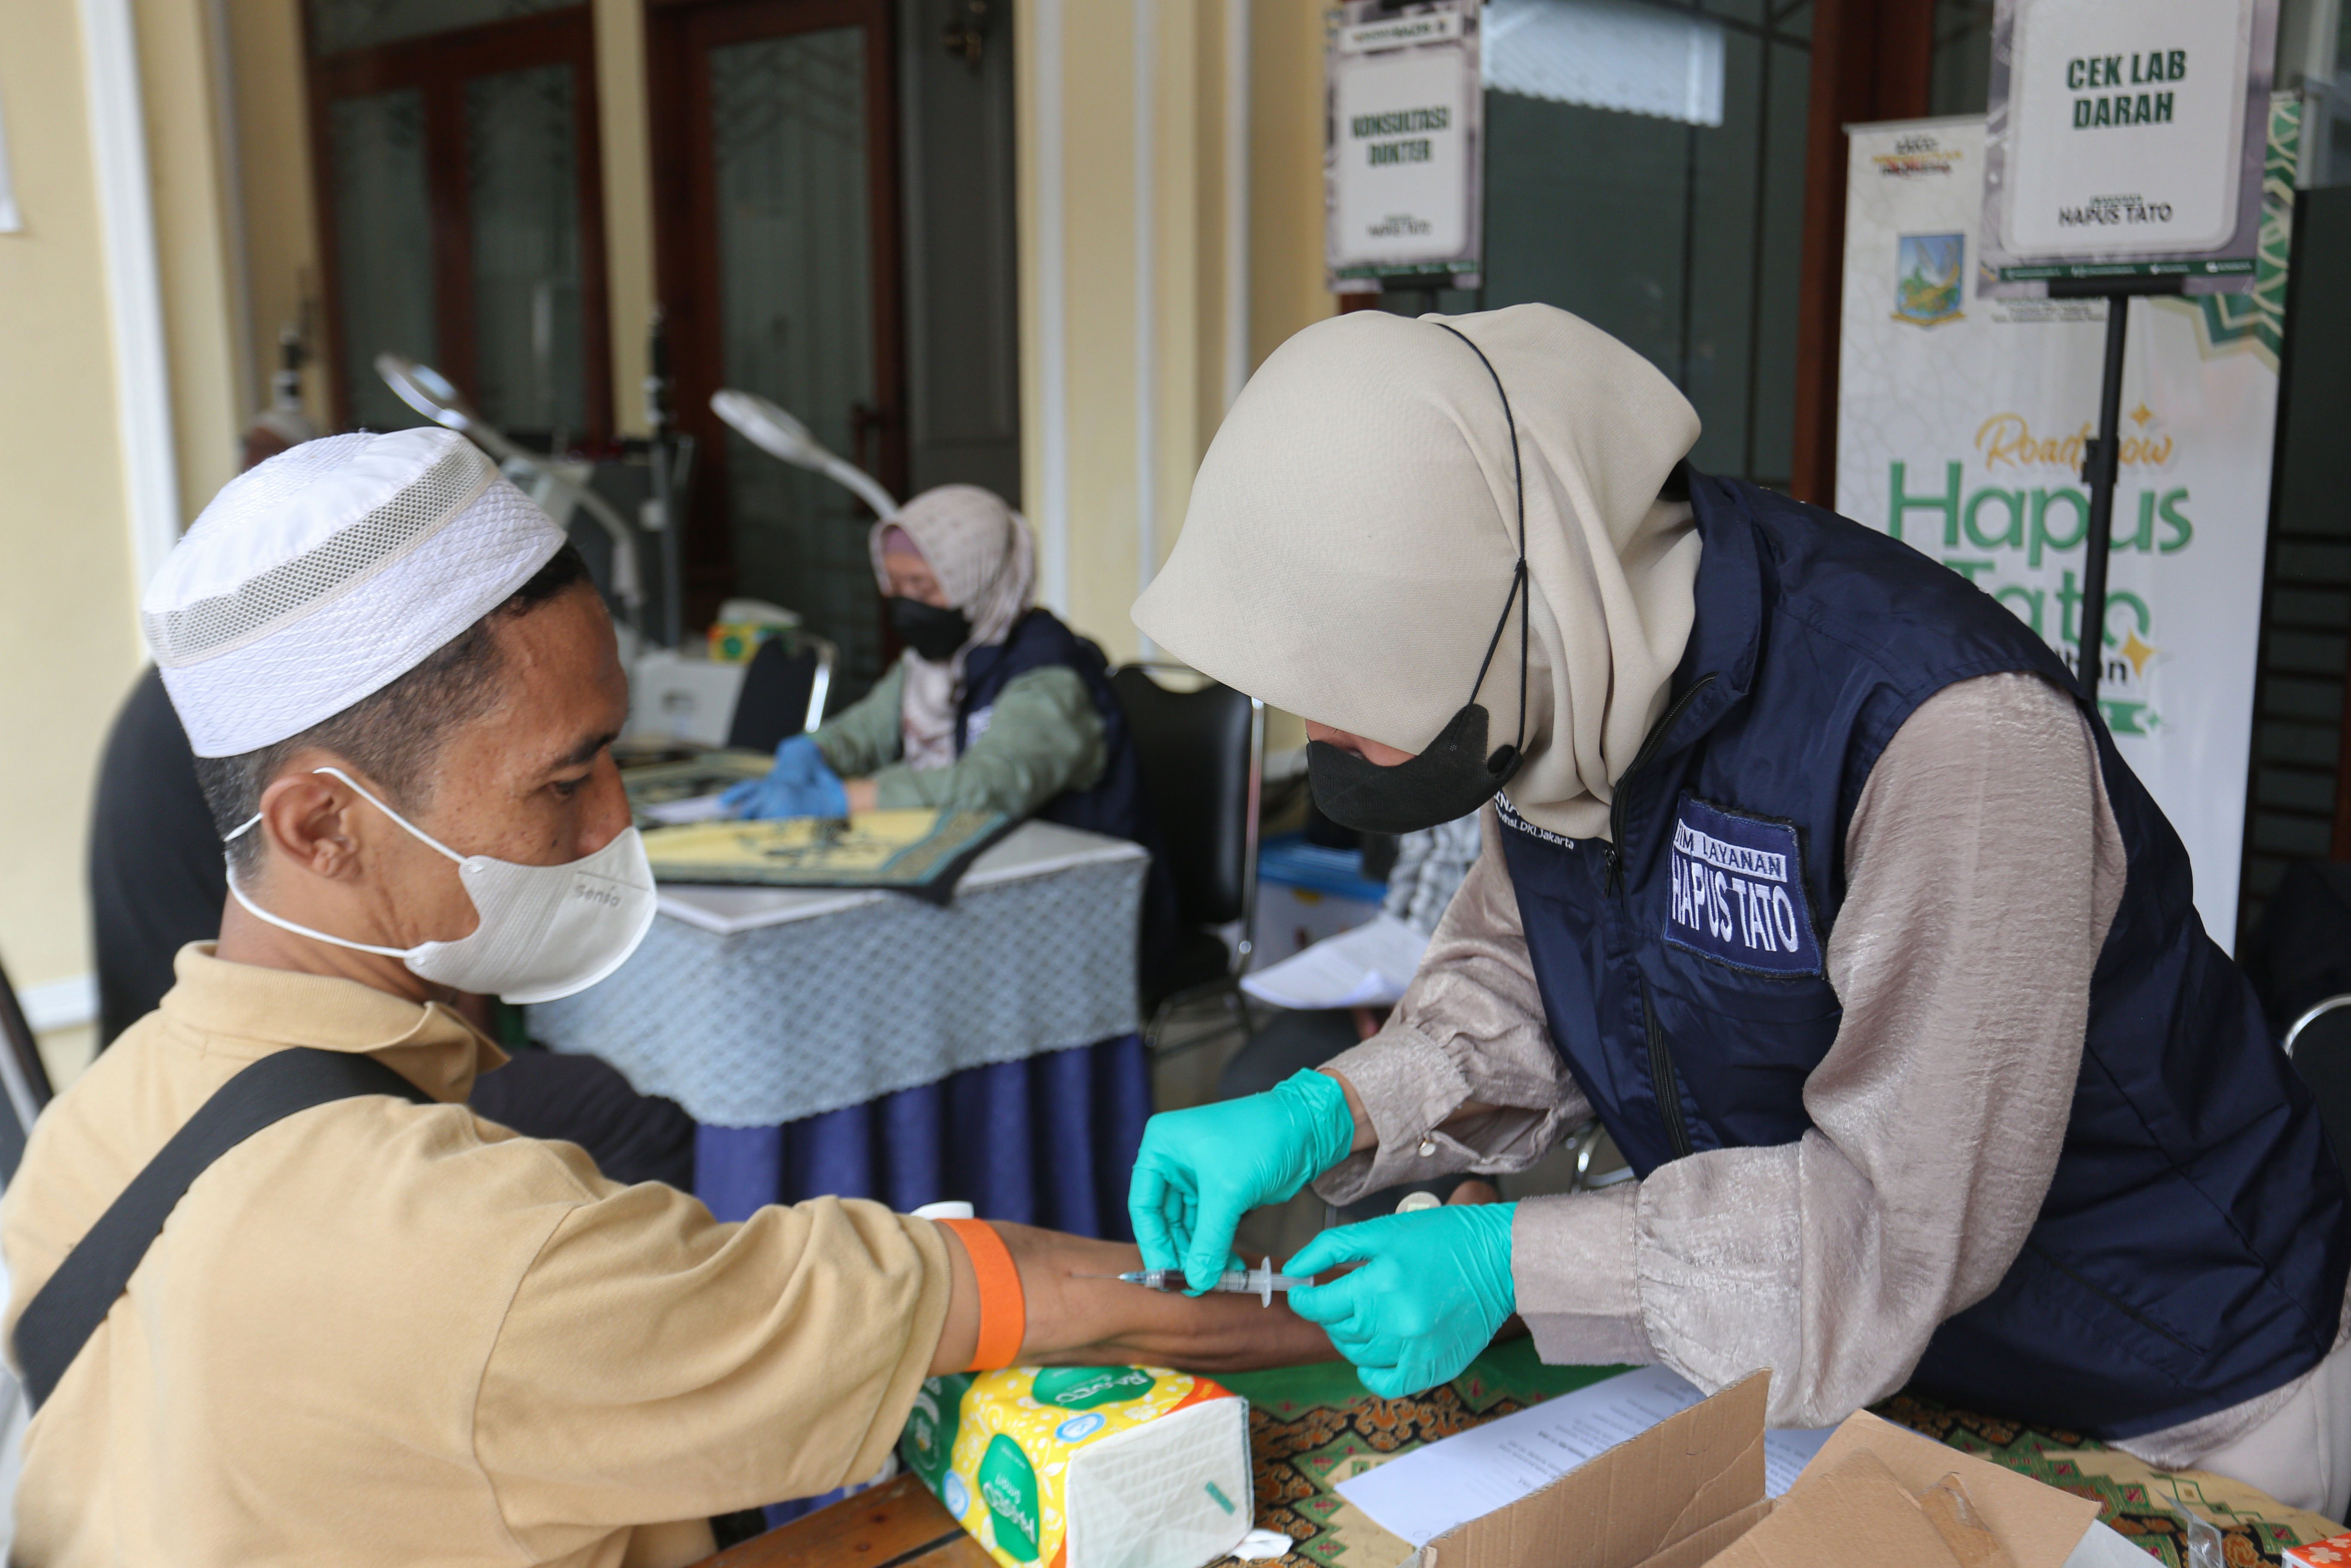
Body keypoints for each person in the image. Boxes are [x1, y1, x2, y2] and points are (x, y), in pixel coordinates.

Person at [3, 430, 1332, 1565]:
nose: (617, 821)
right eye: (564, 779)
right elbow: (1004, 1292)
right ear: (323, 827)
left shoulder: (99, 1120)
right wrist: (1353, 1300)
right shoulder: (481, 1254)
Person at [1123, 305, 2351, 1517]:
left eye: (1347, 686)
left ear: (1503, 607)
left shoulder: (1946, 737)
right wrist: (1324, 1110)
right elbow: (1532, 976)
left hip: (2168, 1394)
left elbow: (1892, 1222)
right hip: (1852, 1383)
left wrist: (1509, 1263)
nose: (1323, 736)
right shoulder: (1562, 685)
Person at [723, 485, 1144, 844]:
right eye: (895, 584)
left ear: (979, 580)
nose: (905, 605)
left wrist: (839, 800)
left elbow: (989, 788)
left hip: (1079, 891)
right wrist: (813, 751)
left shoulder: (1049, 676)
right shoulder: (933, 661)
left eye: (922, 587)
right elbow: (867, 729)